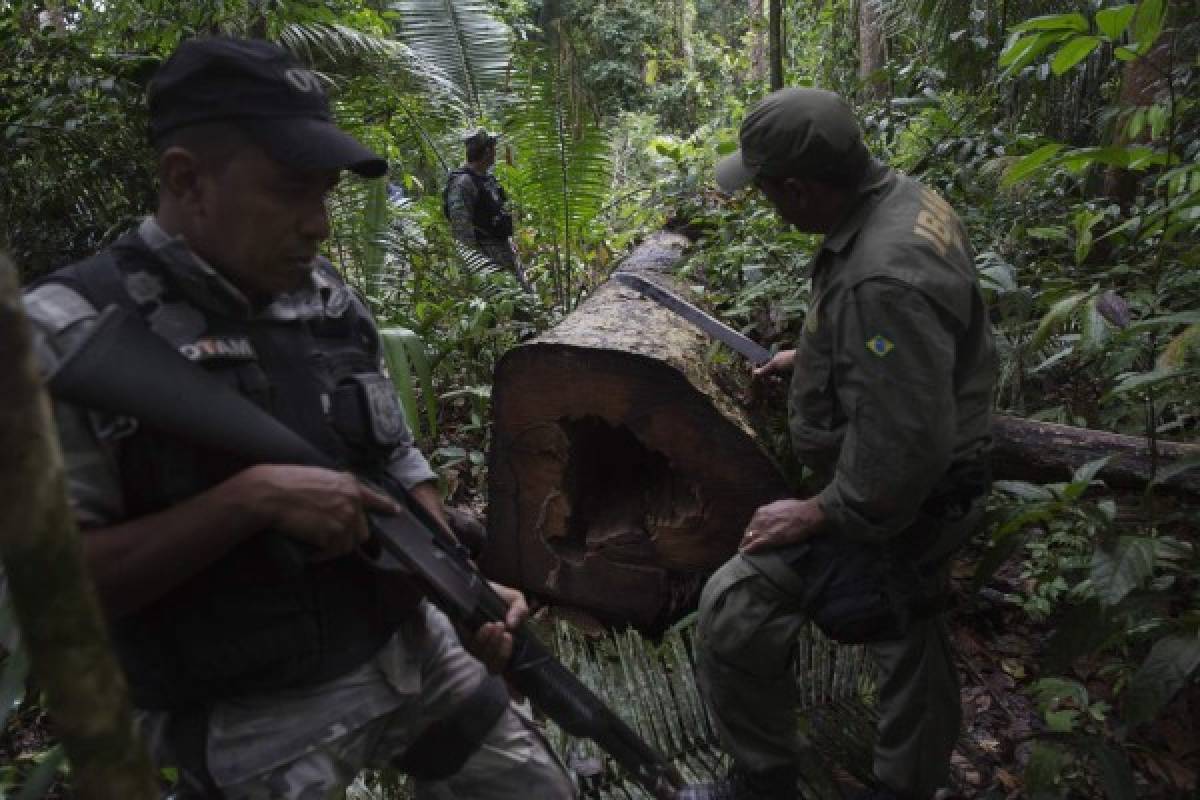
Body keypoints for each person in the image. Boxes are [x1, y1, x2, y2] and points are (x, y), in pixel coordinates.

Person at [24, 37, 574, 800]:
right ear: (187, 180)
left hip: (408, 658)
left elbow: (396, 461)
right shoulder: (65, 333)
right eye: (290, 191)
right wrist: (247, 503)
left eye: (324, 193)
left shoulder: (322, 296)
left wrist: (459, 582)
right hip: (247, 727)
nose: (316, 224)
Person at [684, 88, 996, 800]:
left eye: (766, 192)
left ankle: (772, 780)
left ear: (797, 188)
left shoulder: (880, 279)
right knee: (909, 632)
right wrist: (820, 355)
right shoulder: (903, 199)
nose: (766, 204)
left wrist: (820, 511)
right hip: (934, 472)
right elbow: (913, 350)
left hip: (909, 496)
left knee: (740, 604)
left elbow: (905, 444)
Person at [443, 129, 532, 292]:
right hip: (487, 260)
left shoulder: (488, 179)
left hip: (504, 253)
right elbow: (462, 231)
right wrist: (478, 270)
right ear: (486, 152)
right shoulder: (462, 184)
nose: (495, 153)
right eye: (493, 148)